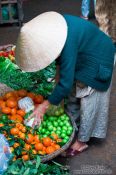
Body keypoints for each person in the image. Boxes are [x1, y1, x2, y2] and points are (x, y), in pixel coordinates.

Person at [15, 11, 115, 156]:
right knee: (73, 93)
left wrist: (43, 106)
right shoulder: (56, 29)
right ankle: (74, 126)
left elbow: (65, 83)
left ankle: (82, 141)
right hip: (85, 52)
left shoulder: (68, 39)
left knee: (90, 103)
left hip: (100, 57)